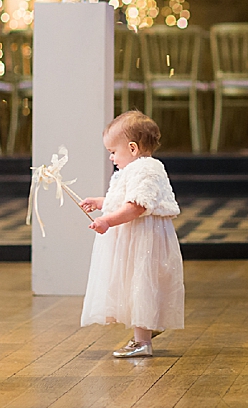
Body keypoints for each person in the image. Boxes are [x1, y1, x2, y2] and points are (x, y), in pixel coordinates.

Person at [80, 110, 184, 358]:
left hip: (144, 241)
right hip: (135, 240)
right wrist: (100, 202)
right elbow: (122, 200)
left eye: (114, 152)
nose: (111, 158)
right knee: (135, 286)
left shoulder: (146, 170)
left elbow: (136, 206)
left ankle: (142, 342)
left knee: (141, 285)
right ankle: (144, 332)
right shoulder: (132, 170)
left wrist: (107, 221)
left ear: (133, 148)